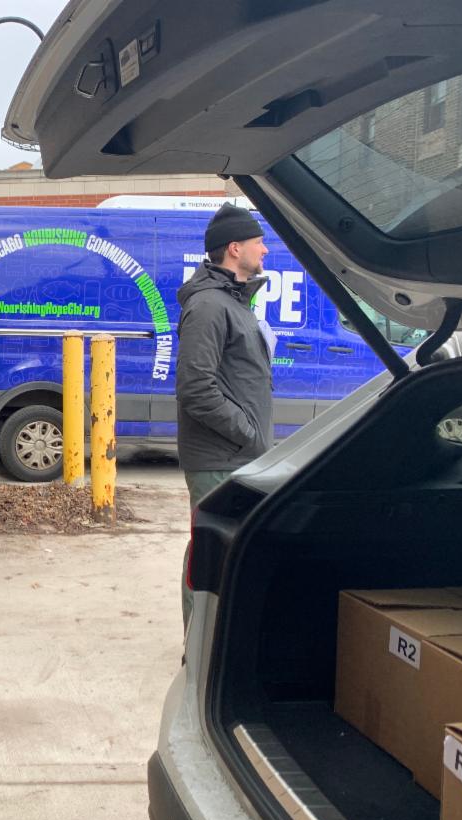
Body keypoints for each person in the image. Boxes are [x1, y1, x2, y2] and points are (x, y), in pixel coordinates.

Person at [175, 202, 273, 628]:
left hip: (235, 454)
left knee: (228, 552)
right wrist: (247, 432)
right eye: (259, 242)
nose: (265, 250)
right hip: (220, 458)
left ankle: (213, 643)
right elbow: (196, 388)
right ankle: (197, 648)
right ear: (235, 248)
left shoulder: (233, 301)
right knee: (210, 553)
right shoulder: (210, 306)